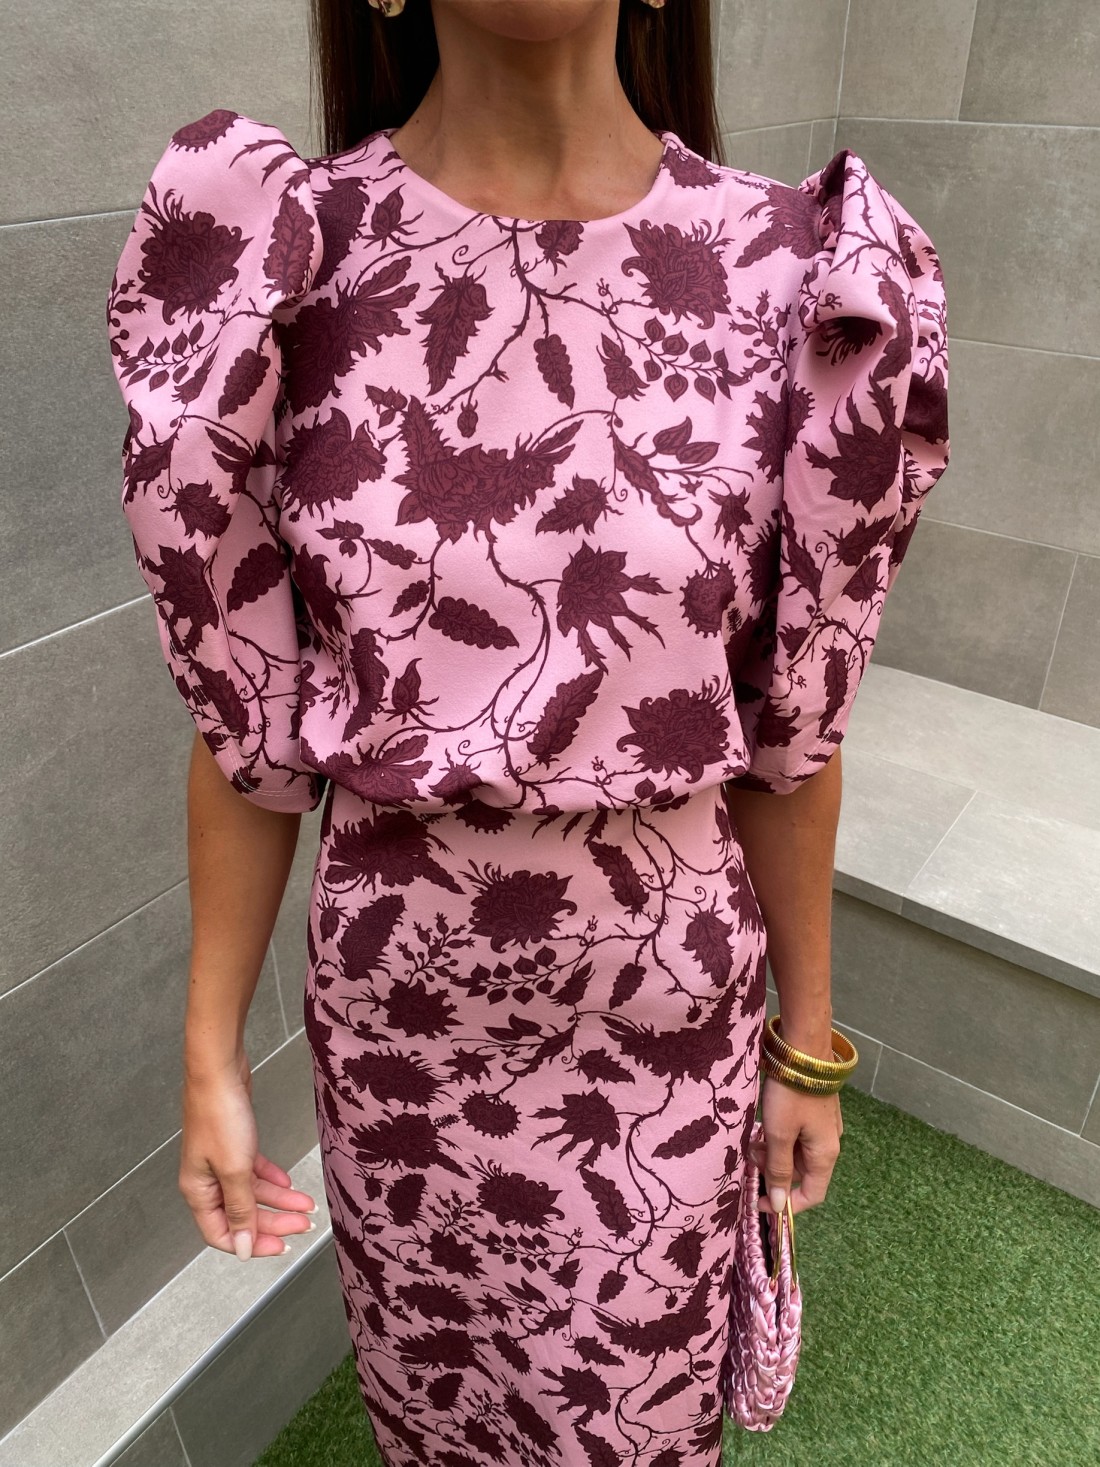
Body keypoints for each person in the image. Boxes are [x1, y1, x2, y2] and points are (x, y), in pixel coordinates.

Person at [104, 1, 950, 1462]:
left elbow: (792, 734)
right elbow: (248, 727)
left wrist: (806, 1041)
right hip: (402, 1031)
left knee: (635, 1419)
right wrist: (209, 1053)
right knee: (441, 1411)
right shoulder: (289, 260)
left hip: (665, 1016)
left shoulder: (791, 270)